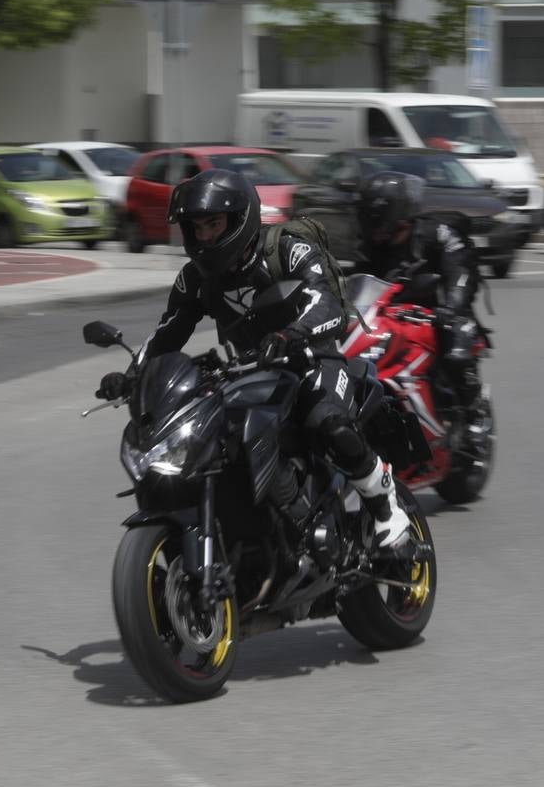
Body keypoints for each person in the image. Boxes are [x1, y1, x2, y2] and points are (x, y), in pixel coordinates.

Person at [94, 169, 411, 550]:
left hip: (312, 359)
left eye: (214, 224)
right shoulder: (195, 279)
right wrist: (133, 376)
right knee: (210, 440)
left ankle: (383, 503)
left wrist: (292, 334)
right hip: (249, 371)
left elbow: (326, 304)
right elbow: (168, 334)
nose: (206, 236)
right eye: (197, 227)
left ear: (241, 219)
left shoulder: (287, 248)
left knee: (326, 420)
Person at [351, 171, 487, 415]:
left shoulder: (438, 233)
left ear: (392, 213)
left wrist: (452, 307)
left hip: (438, 313)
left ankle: (474, 410)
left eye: (372, 215)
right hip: (390, 319)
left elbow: (460, 269)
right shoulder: (371, 247)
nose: (367, 222)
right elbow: (356, 284)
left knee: (456, 348)